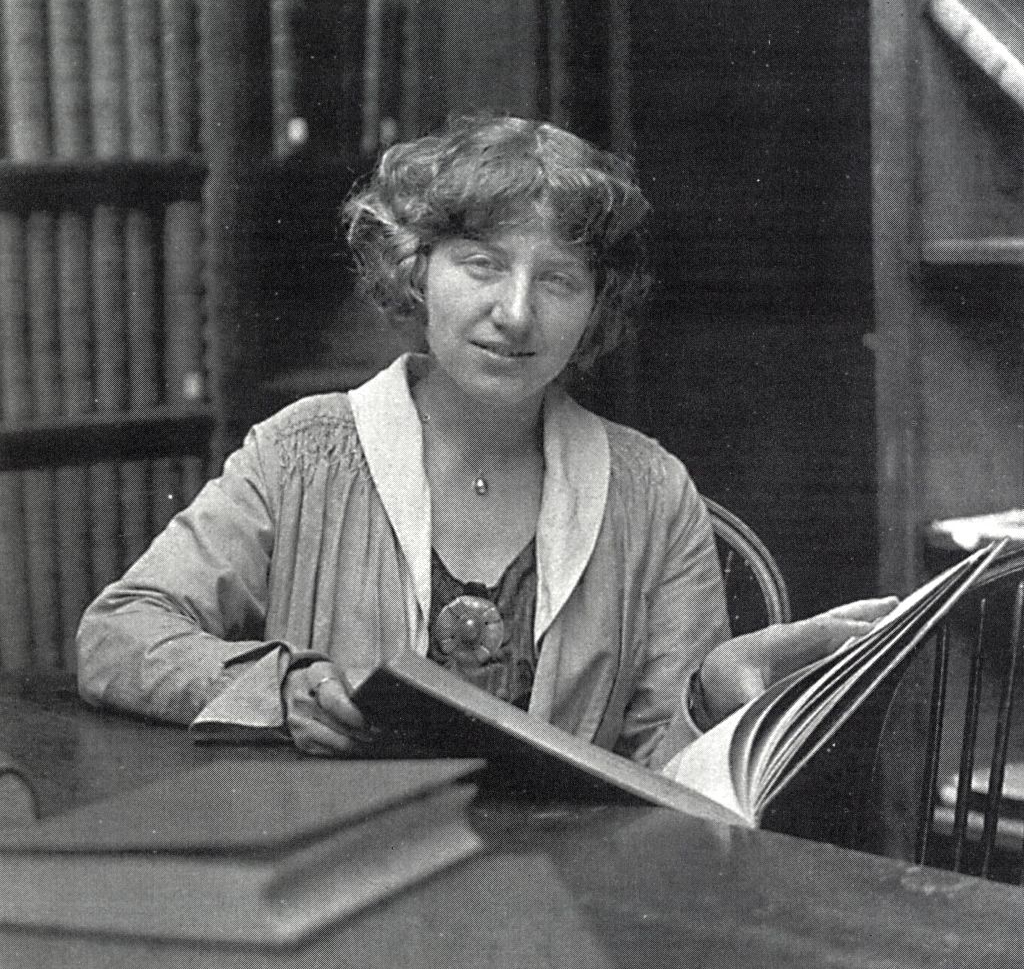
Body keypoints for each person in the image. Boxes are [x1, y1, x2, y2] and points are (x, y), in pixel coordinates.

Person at [76, 115, 895, 769]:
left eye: (559, 280)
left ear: (596, 304)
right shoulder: (302, 453)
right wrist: (276, 690)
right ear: (415, 268)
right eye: (481, 265)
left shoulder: (653, 491)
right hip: (335, 879)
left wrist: (715, 695)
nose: (516, 312)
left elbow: (674, 789)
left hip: (567, 899)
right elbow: (119, 634)